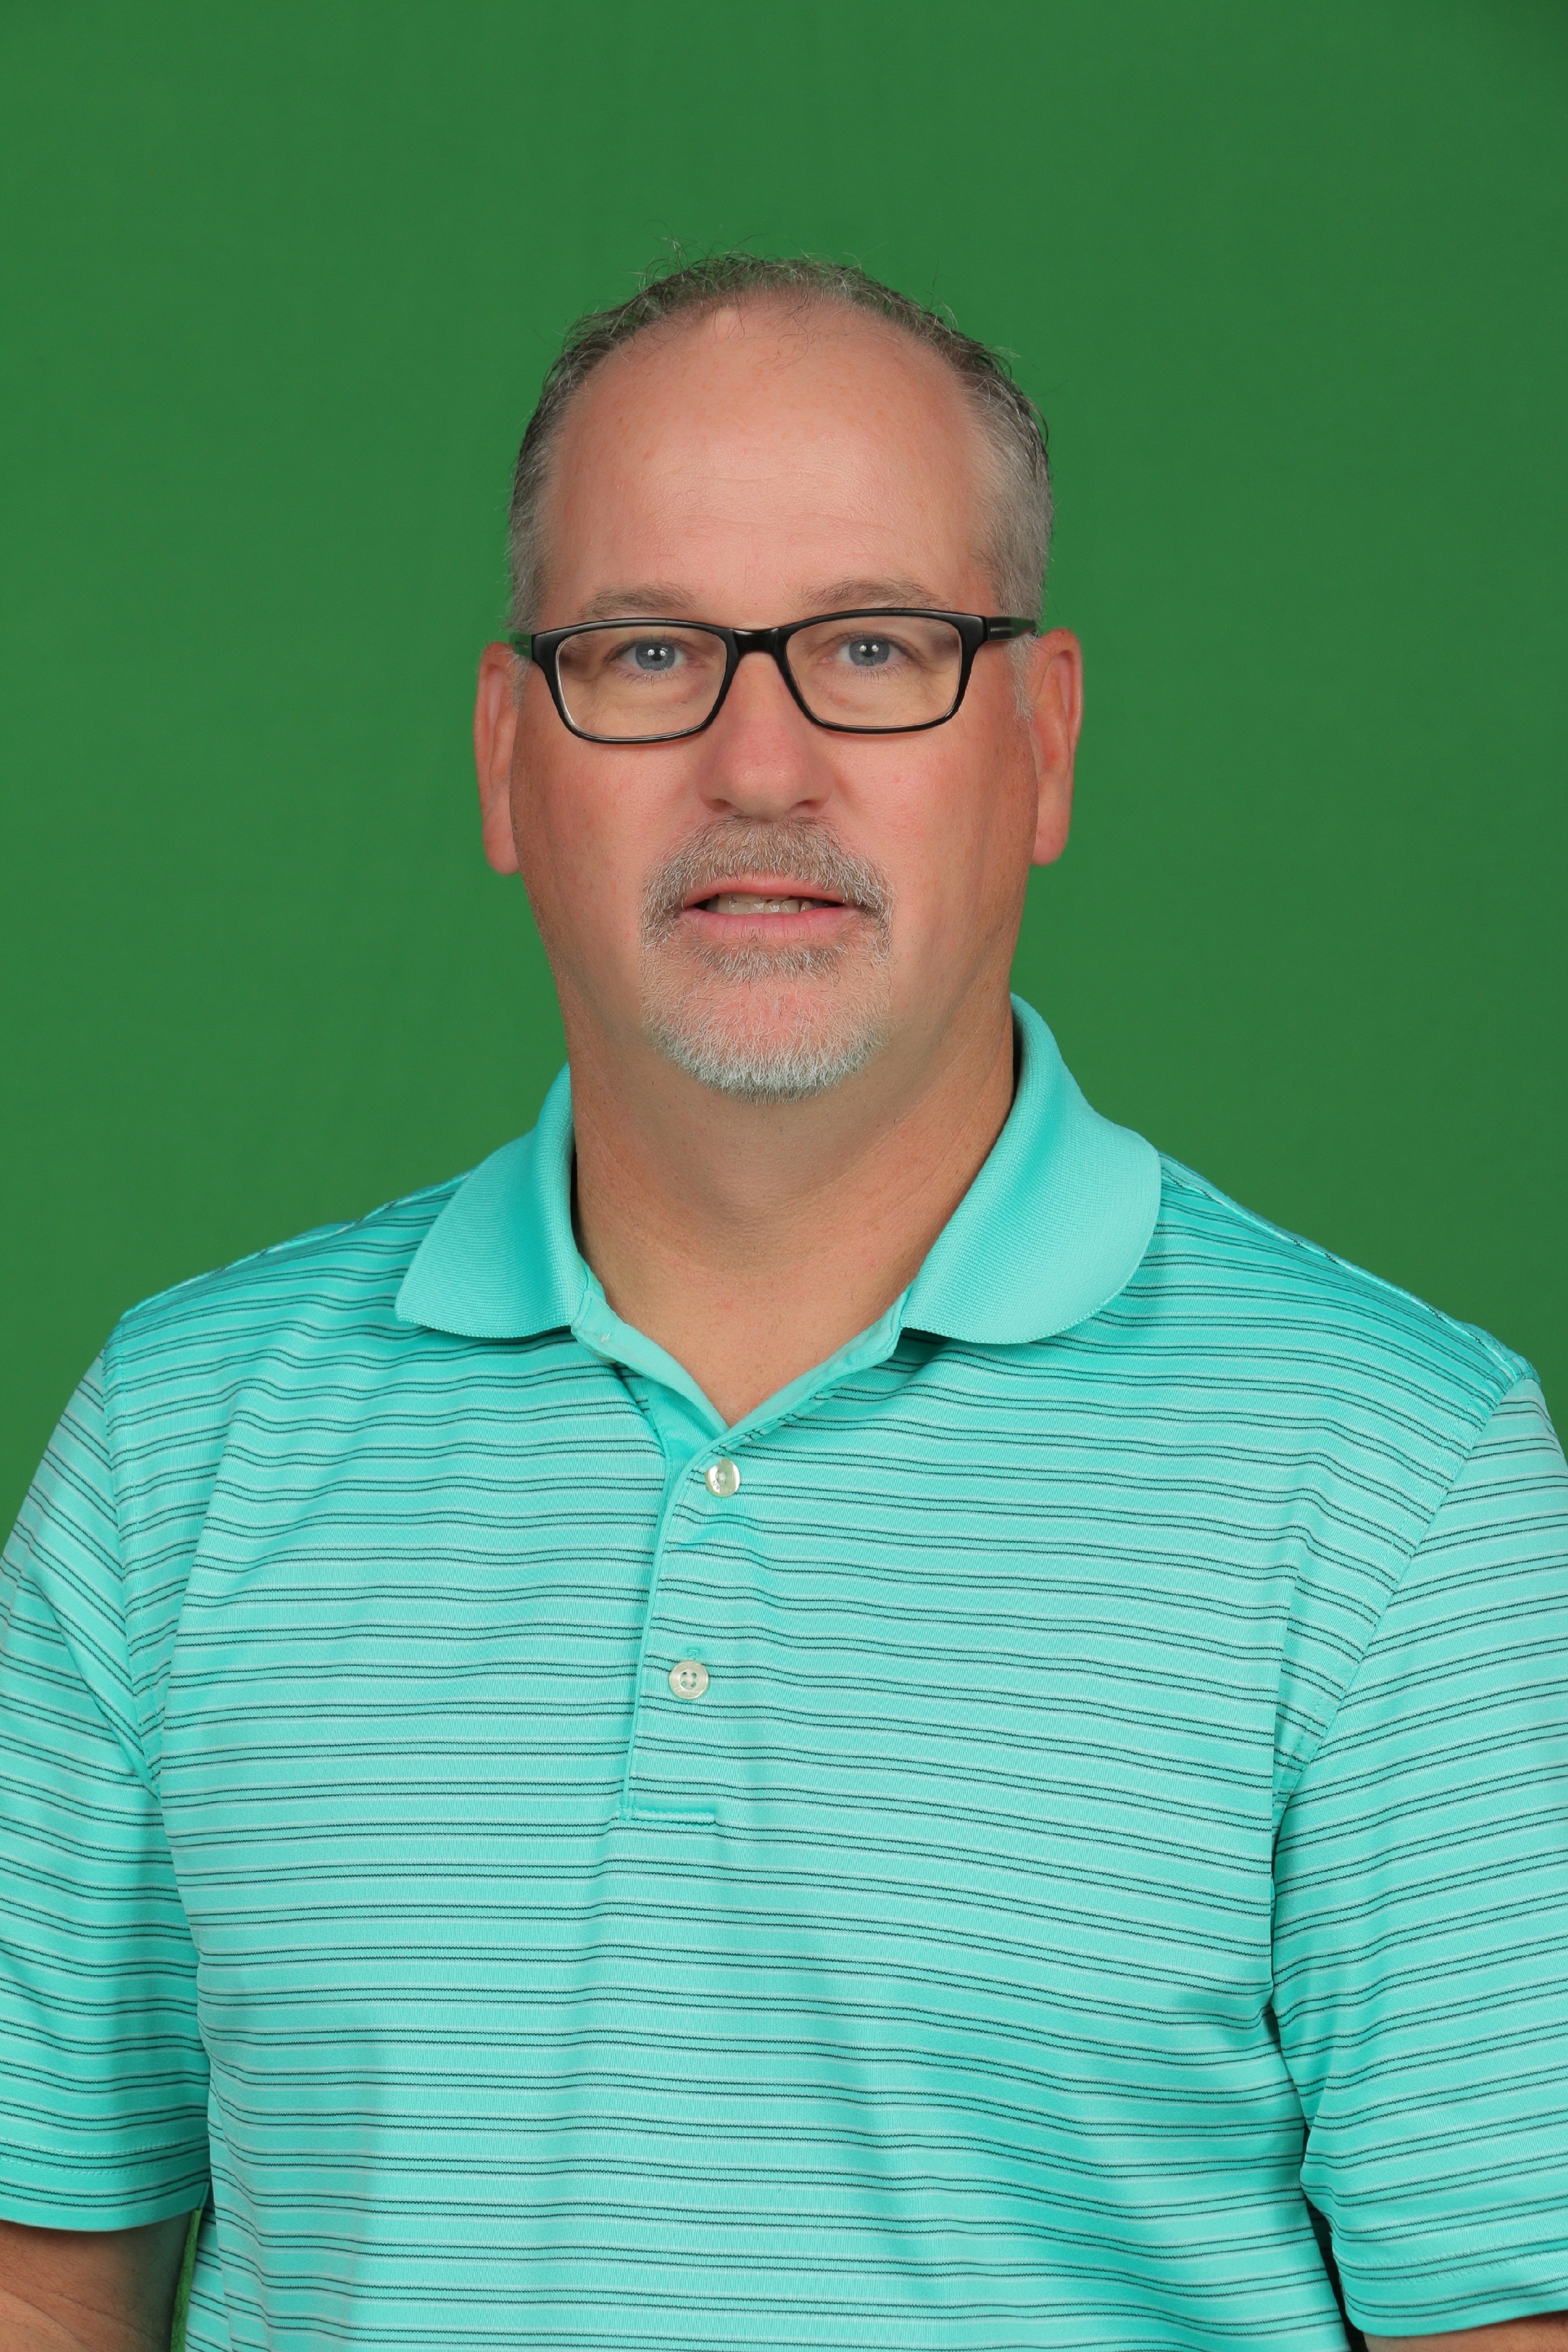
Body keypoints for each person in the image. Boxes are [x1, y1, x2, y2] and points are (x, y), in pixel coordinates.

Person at [1, 255, 1565, 2352]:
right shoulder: (175, 1452)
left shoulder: (1402, 1487)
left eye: (875, 646)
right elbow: (42, 2277)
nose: (762, 761)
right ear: (505, 758)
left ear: (1043, 740)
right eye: (648, 650)